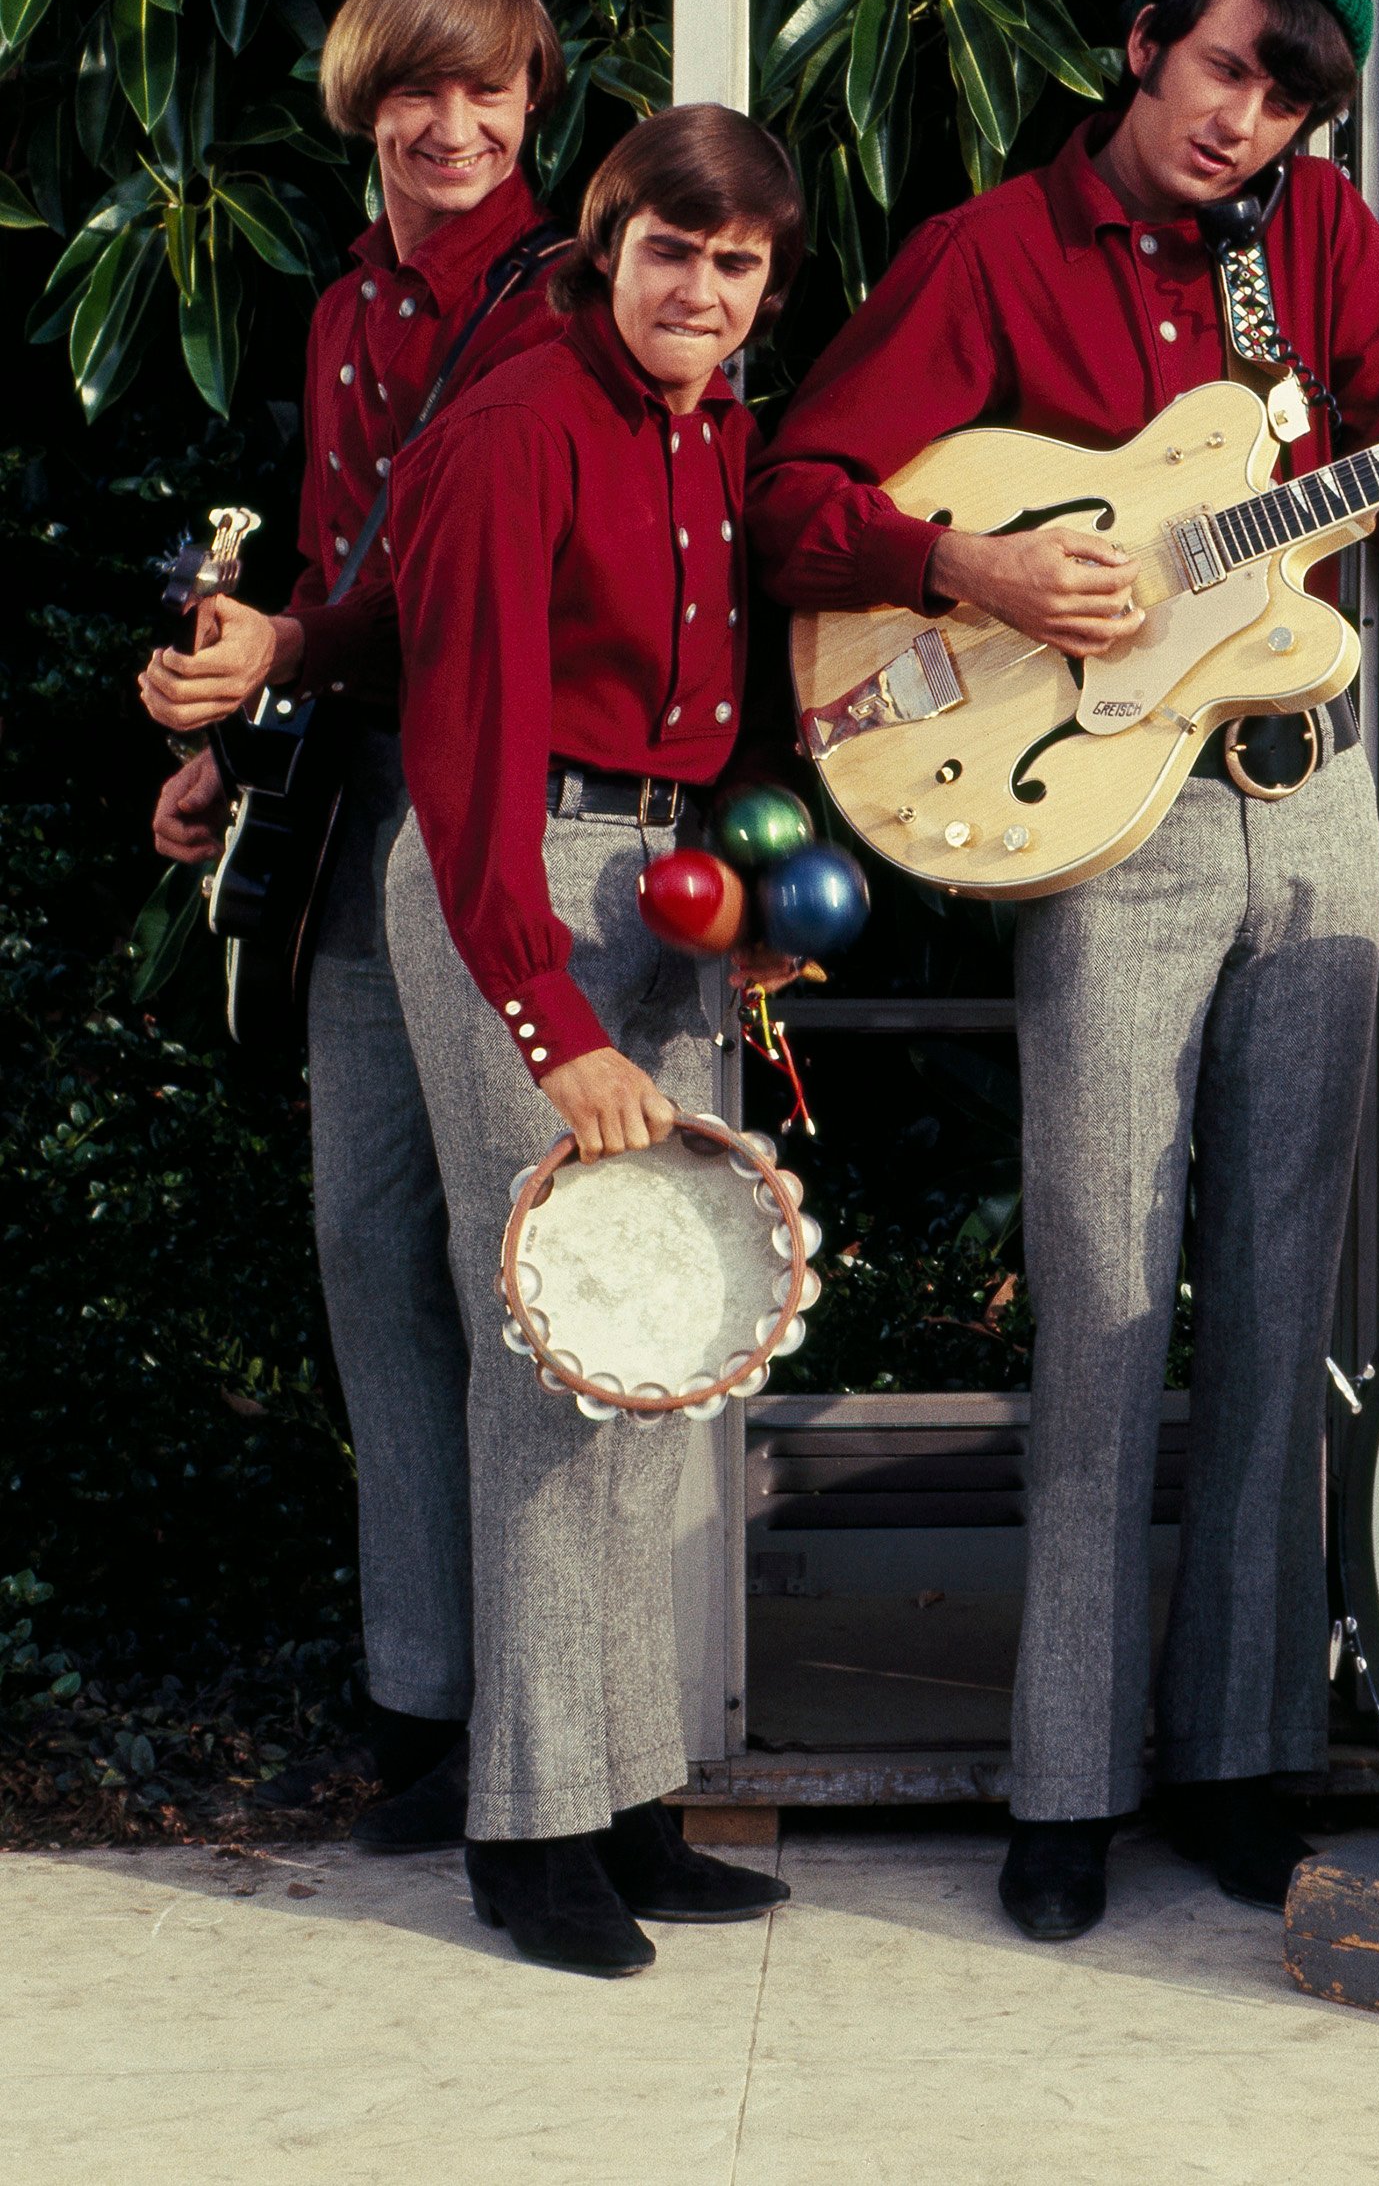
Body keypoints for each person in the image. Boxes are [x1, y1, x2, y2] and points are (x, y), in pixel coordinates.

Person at [750, 0, 1379, 1942]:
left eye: (1295, 100)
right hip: (1107, 828)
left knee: (1274, 1299)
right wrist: (974, 568)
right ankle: (1061, 1778)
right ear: (1148, 40)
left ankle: (1244, 1756)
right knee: (1099, 1292)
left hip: (1308, 809)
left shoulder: (1319, 252)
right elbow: (797, 498)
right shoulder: (990, 255)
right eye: (1235, 67)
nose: (1253, 122)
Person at [139, 0, 573, 1850]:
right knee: (367, 1249)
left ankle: (547, 1728)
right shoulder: (336, 317)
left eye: (489, 90)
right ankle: (425, 1702)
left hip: (510, 799)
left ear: (534, 100)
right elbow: (330, 571)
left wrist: (297, 634)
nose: (455, 124)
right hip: (353, 801)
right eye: (423, 90)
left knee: (519, 1275)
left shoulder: (579, 295)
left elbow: (438, 592)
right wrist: (229, 738)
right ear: (364, 102)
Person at [384, 103, 808, 1975]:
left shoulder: (712, 424)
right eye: (670, 253)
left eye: (737, 268)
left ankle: (631, 1791)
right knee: (559, 1361)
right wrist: (547, 1020)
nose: (701, 293)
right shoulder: (512, 428)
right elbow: (460, 767)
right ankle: (530, 1825)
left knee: (670, 1350)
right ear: (605, 240)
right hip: (521, 890)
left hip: (661, 885)